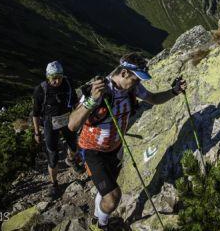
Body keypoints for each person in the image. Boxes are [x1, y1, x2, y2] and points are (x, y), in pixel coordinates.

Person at [68, 53, 187, 230]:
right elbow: (72, 124)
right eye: (136, 79)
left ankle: (97, 218)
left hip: (115, 148)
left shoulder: (132, 89)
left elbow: (153, 99)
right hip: (93, 151)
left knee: (108, 188)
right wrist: (92, 100)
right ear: (124, 73)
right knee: (113, 196)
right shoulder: (99, 91)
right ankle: (100, 226)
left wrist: (174, 91)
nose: (138, 83)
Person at [32, 60, 83, 198]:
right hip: (50, 124)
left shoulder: (67, 84)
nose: (57, 81)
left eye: (59, 77)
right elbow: (35, 114)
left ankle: (71, 160)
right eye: (53, 78)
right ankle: (54, 184)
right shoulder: (41, 90)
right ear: (48, 77)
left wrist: (82, 115)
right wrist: (37, 132)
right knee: (53, 157)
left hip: (67, 120)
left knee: (74, 146)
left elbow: (75, 102)